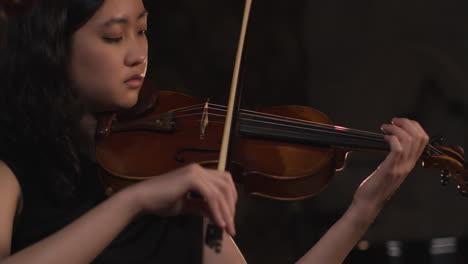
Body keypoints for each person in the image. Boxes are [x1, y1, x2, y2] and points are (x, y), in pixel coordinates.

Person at [0, 0, 429, 263]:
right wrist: (133, 202)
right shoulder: (13, 164)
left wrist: (363, 211)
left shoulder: (173, 181)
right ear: (55, 47)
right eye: (114, 36)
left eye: (143, 30)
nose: (138, 54)